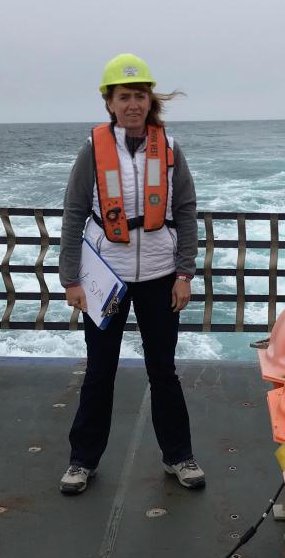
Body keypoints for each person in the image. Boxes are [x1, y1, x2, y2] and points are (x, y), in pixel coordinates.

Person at [58, 53, 204, 495]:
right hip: (109, 277)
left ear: (149, 100)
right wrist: (71, 280)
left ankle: (179, 456)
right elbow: (74, 212)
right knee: (100, 370)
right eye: (124, 97)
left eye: (139, 95)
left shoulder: (171, 148)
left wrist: (185, 274)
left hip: (161, 274)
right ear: (110, 102)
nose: (132, 104)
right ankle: (82, 461)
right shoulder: (92, 150)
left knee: (163, 369)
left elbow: (185, 211)